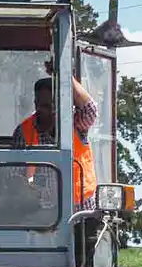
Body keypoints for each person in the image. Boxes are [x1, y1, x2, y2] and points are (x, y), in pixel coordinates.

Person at [13, 74, 99, 209]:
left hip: (81, 211)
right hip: (43, 214)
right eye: (38, 105)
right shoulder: (24, 131)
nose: (40, 111)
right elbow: (15, 174)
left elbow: (90, 110)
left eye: (47, 106)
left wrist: (65, 75)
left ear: (59, 105)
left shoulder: (75, 124)